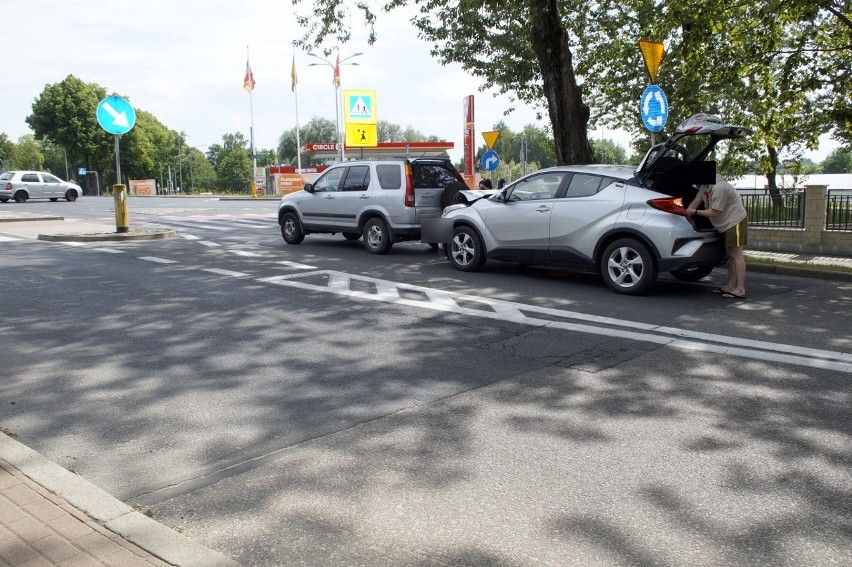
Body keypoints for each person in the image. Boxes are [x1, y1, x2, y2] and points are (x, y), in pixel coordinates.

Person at [685, 173, 748, 299]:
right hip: (725, 224)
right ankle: (730, 287)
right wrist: (688, 211)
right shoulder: (705, 186)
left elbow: (715, 212)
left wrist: (695, 212)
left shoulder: (720, 187)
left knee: (736, 255)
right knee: (731, 255)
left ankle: (740, 289)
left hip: (735, 222)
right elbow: (696, 200)